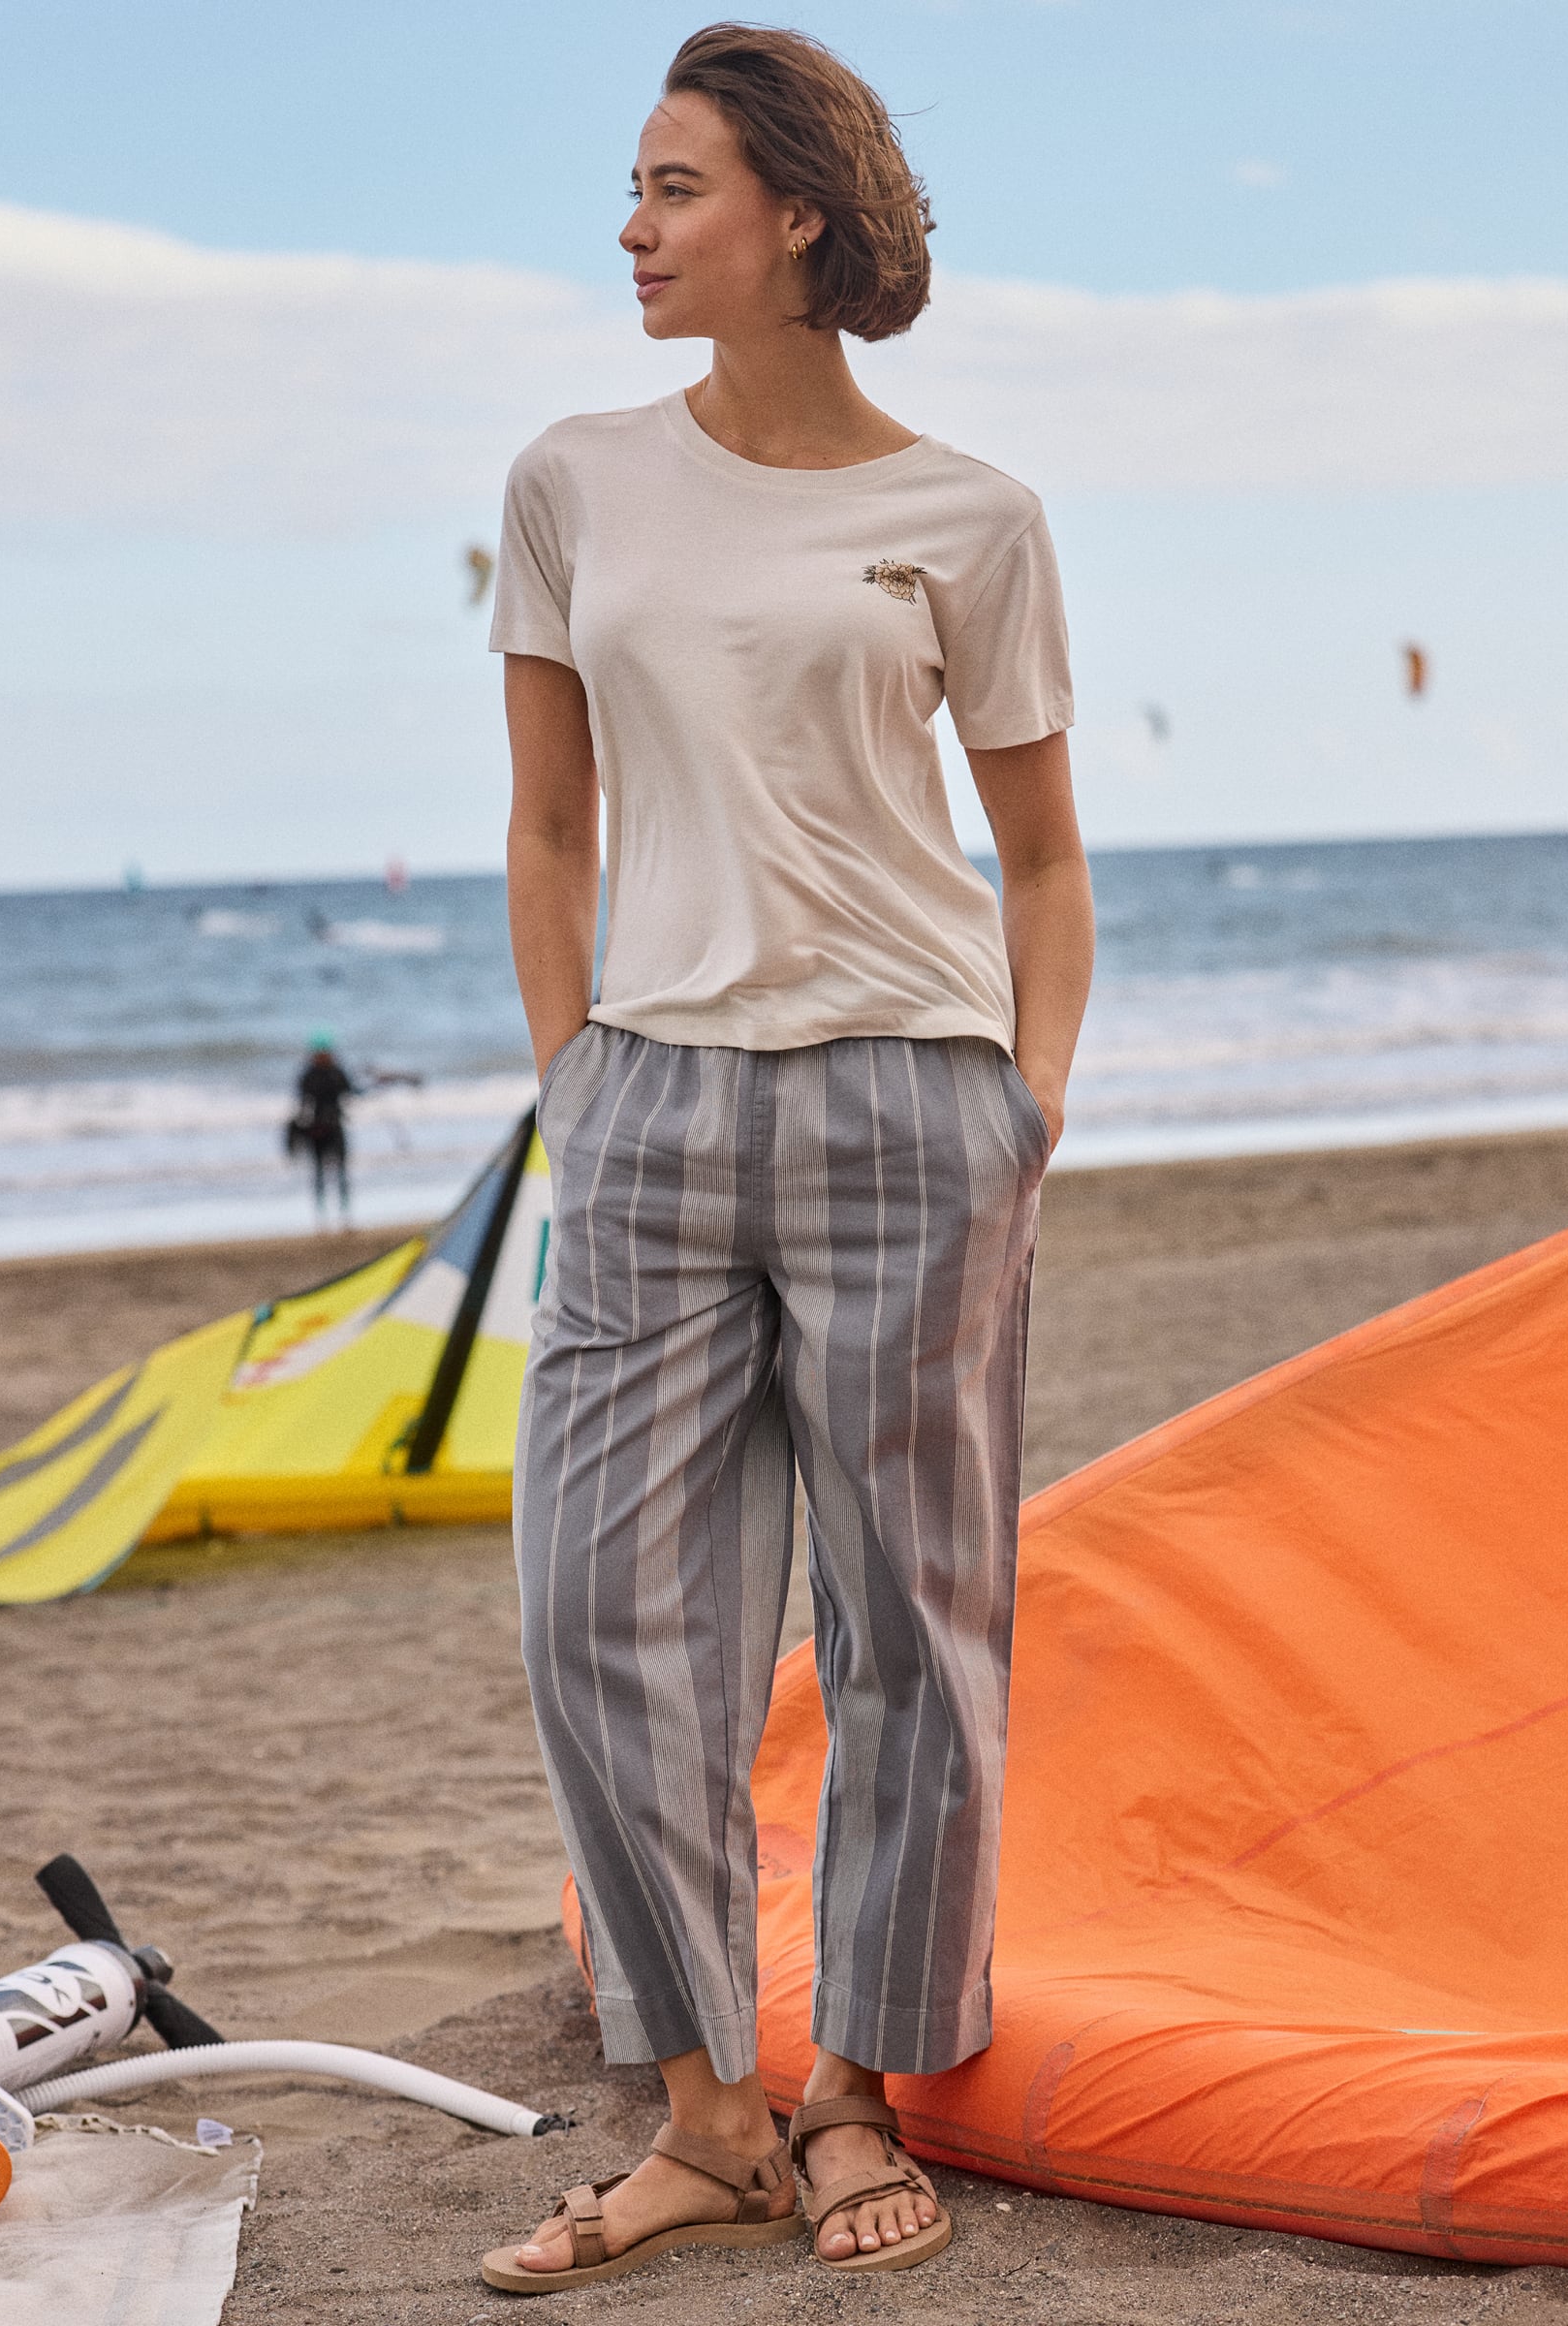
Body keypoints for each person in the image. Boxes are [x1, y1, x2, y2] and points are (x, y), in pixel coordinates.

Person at [484, 22, 1094, 2295]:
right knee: (596, 1610)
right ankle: (706, 2116)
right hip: (648, 1096)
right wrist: (578, 1082)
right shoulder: (568, 476)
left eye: (669, 190)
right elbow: (549, 822)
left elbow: (1039, 857)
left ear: (796, 218)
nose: (628, 231)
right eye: (632, 194)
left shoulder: (969, 517)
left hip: (905, 1101)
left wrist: (1021, 1095)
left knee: (906, 1620)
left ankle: (851, 2080)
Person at [289, 1034, 356, 1221]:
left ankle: (343, 1213)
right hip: (319, 1130)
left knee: (339, 1172)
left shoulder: (325, 1073)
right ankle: (323, 1215)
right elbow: (303, 1107)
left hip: (330, 1127)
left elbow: (349, 1093)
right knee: (321, 1173)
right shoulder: (315, 1075)